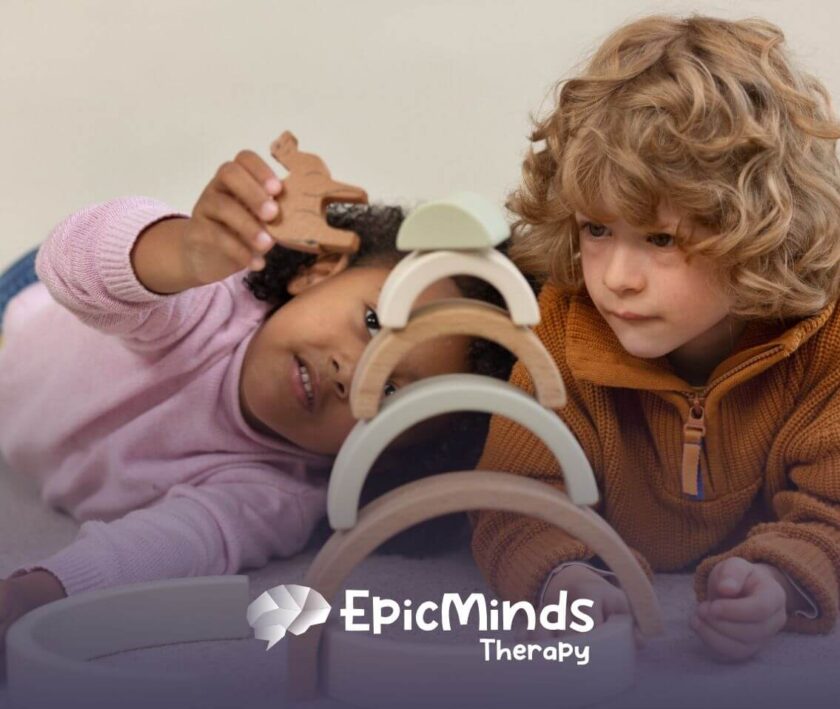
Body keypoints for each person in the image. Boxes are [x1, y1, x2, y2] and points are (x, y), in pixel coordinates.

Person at [0, 149, 514, 645]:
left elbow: (171, 546)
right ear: (321, 270)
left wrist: (35, 591)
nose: (352, 373)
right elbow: (73, 261)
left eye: (392, 392)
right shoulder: (208, 297)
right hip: (21, 315)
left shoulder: (278, 495)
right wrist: (183, 252)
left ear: (384, 454)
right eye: (373, 322)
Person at [469, 14, 840, 662]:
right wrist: (567, 575)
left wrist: (779, 581)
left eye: (661, 239)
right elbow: (513, 499)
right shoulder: (559, 328)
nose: (616, 279)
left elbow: (832, 511)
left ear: (761, 228)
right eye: (596, 230)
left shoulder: (825, 345)